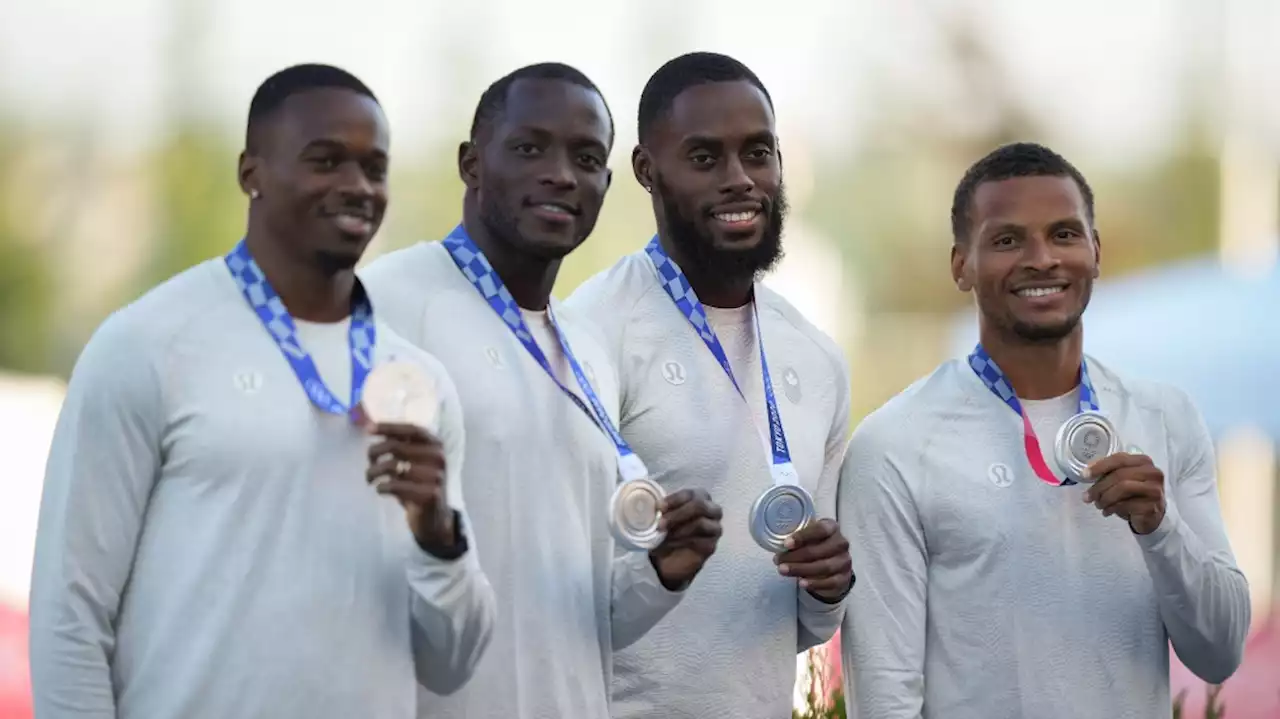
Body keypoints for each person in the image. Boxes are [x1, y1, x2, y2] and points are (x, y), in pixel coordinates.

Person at [28, 64, 496, 719]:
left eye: (374, 167)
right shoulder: (147, 344)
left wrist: (437, 535)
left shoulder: (419, 382)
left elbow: (452, 664)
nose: (357, 186)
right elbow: (69, 612)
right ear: (251, 172)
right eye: (325, 161)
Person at [359, 62, 723, 719]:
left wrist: (663, 568)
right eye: (529, 148)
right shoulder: (386, 303)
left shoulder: (586, 344)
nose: (561, 173)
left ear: (607, 184)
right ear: (471, 163)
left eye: (586, 158)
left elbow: (584, 610)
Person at [840, 142, 1251, 719]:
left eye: (1064, 234)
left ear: (1096, 251)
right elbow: (885, 694)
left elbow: (1220, 653)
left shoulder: (1166, 416)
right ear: (962, 265)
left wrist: (1161, 528)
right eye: (1008, 240)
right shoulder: (895, 446)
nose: (1042, 259)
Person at [565, 51, 855, 719]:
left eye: (759, 153)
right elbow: (547, 594)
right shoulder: (590, 334)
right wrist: (657, 568)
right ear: (645, 170)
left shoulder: (816, 357)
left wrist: (828, 585)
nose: (740, 180)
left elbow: (805, 626)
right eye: (704, 158)